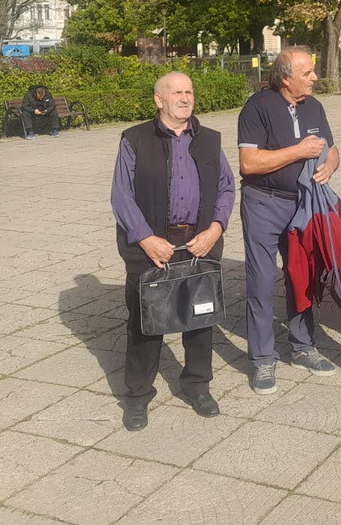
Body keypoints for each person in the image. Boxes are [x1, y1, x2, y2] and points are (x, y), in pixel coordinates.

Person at [110, 72, 235, 430]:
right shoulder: (134, 139)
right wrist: (145, 239)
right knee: (145, 325)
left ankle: (197, 386)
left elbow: (226, 188)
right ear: (159, 100)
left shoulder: (209, 139)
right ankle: (137, 396)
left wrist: (215, 228)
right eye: (177, 92)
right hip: (152, 247)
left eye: (189, 91)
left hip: (199, 244)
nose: (185, 98)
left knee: (200, 320)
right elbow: (122, 196)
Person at [238, 47, 339, 394]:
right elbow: (249, 163)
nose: (314, 77)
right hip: (263, 203)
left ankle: (303, 347)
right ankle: (262, 358)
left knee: (302, 276)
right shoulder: (257, 107)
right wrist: (299, 151)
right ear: (285, 78)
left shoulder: (314, 106)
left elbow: (330, 147)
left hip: (303, 204)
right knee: (261, 281)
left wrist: (330, 165)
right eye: (307, 73)